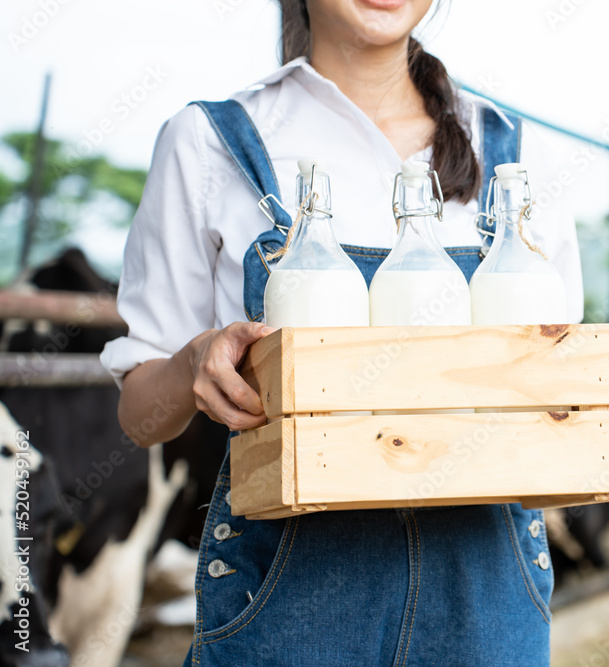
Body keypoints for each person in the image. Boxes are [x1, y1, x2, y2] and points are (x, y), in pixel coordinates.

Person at [101, 0, 583, 664]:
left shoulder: (516, 156)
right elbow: (139, 416)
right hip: (290, 603)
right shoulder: (210, 141)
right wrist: (192, 363)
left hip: (485, 603)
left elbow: (561, 404)